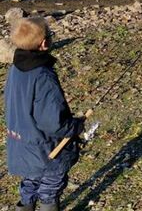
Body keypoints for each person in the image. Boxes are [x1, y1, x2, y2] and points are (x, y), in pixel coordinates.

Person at [4, 17, 85, 211]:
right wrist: (76, 125)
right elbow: (54, 123)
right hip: (46, 149)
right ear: (44, 43)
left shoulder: (15, 69)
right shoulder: (43, 76)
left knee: (29, 184)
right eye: (50, 35)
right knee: (49, 188)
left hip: (21, 144)